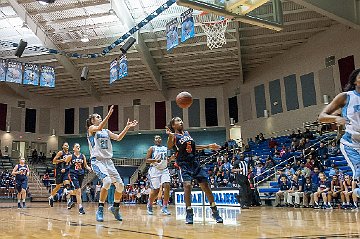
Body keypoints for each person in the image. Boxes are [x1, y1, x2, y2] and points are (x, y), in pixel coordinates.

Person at [166, 117, 223, 224]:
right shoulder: (174, 136)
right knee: (187, 185)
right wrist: (170, 136)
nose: (181, 121)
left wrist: (208, 146)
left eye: (181, 120)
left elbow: (193, 147)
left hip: (194, 162)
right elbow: (169, 146)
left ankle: (215, 211)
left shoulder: (187, 133)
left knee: (205, 186)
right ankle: (189, 211)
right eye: (178, 121)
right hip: (184, 164)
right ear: (173, 125)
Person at [87, 105, 138, 222]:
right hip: (97, 160)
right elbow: (99, 126)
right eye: (97, 116)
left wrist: (127, 127)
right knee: (107, 181)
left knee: (120, 186)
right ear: (92, 121)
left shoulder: (106, 131)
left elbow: (119, 137)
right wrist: (109, 114)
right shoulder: (91, 129)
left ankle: (115, 208)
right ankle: (100, 208)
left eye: (100, 116)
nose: (100, 118)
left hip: (108, 161)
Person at [319, 69, 360, 180]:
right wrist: (336, 118)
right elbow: (322, 117)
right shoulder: (346, 96)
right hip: (352, 144)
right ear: (355, 81)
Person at [146, 135, 172, 215]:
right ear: (154, 140)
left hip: (164, 169)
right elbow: (147, 160)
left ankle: (165, 207)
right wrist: (155, 160)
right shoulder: (152, 148)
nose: (158, 139)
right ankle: (150, 204)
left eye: (159, 138)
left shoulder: (165, 148)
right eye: (156, 138)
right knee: (156, 191)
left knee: (167, 185)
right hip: (155, 170)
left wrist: (171, 159)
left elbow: (167, 159)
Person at [64, 143, 91, 214]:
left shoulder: (83, 156)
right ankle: (80, 208)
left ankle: (68, 192)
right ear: (73, 149)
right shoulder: (71, 156)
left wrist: (88, 168)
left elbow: (85, 165)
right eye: (77, 146)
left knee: (78, 191)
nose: (78, 147)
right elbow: (65, 162)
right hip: (73, 174)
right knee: (78, 191)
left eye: (79, 146)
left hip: (81, 174)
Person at [48, 142, 71, 207]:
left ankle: (69, 202)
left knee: (67, 184)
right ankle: (51, 197)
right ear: (63, 146)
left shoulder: (70, 154)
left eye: (67, 145)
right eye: (65, 145)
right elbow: (54, 161)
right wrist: (61, 160)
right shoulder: (60, 153)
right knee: (58, 187)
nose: (67, 146)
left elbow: (70, 163)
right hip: (59, 171)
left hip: (66, 171)